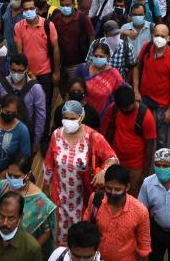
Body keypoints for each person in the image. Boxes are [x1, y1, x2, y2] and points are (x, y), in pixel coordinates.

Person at [43, 101, 119, 247]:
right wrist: (45, 191)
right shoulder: (56, 135)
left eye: (72, 119)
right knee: (60, 241)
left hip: (82, 201)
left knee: (80, 241)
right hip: (60, 200)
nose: (68, 122)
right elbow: (48, 165)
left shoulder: (93, 137)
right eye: (65, 118)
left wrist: (104, 171)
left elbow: (113, 159)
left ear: (81, 117)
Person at [0, 155, 57, 256]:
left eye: (16, 176)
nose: (11, 179)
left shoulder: (41, 202)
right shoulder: (2, 187)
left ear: (27, 175)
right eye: (9, 174)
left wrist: (27, 252)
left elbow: (46, 232)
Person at [81, 165, 150, 261]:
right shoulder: (96, 199)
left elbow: (144, 246)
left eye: (117, 189)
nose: (112, 193)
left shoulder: (140, 211)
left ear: (127, 187)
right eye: (109, 188)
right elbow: (85, 227)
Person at [130, 25, 170, 150]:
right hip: (144, 98)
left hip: (162, 104)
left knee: (161, 139)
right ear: (153, 36)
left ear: (168, 38)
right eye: (157, 35)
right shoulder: (147, 48)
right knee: (140, 132)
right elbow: (136, 66)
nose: (159, 38)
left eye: (162, 36)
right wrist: (136, 90)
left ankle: (159, 168)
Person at [13, 0, 60, 131]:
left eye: (31, 8)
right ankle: (30, 133)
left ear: (37, 9)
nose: (29, 11)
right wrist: (27, 72)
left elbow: (56, 48)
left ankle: (44, 135)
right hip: (27, 74)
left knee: (44, 106)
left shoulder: (48, 25)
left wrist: (56, 71)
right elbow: (20, 51)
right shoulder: (19, 26)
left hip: (45, 73)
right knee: (27, 105)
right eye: (26, 9)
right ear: (22, 10)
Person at [101, 87, 156, 195]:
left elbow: (150, 147)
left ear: (134, 101)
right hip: (116, 161)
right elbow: (110, 130)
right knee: (114, 193)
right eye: (122, 109)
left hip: (135, 167)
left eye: (127, 108)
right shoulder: (115, 109)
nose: (124, 111)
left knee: (132, 196)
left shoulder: (146, 117)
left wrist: (144, 174)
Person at [0, 54, 46, 152]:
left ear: (26, 69)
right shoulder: (1, 85)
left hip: (26, 133)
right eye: (13, 70)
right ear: (9, 68)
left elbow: (40, 116)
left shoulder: (36, 88)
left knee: (22, 161)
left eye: (20, 71)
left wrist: (36, 141)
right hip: (2, 131)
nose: (16, 73)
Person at [51, 0, 95, 97]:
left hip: (78, 63)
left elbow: (91, 38)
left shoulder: (83, 19)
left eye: (68, 5)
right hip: (61, 63)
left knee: (75, 92)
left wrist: (89, 60)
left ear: (73, 4)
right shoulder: (56, 19)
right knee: (61, 91)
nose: (65, 7)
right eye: (62, 5)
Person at [0, 192, 44, 261]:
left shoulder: (32, 249)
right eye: (2, 216)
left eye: (11, 218)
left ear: (20, 217)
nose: (5, 223)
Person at [0, 93, 32, 176]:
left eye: (13, 113)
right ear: (0, 108)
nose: (10, 115)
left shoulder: (22, 130)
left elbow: (25, 157)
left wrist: (6, 173)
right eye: (7, 112)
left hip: (10, 175)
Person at [74, 42, 125, 119]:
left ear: (107, 57)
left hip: (105, 115)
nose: (98, 58)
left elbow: (123, 90)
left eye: (101, 56)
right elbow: (73, 88)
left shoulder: (113, 74)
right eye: (95, 56)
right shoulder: (82, 69)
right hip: (82, 113)